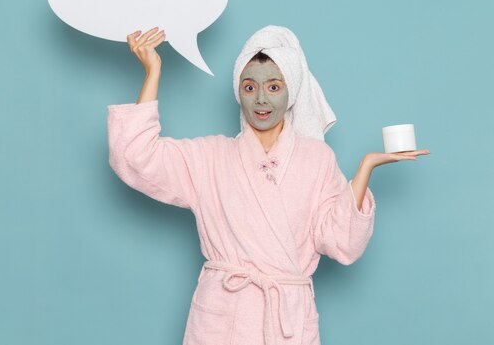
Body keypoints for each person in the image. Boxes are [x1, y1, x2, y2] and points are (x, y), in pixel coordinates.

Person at [107, 25, 430, 345]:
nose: (261, 99)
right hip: (223, 316)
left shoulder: (316, 159)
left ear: (291, 93)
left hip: (286, 317)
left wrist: (364, 170)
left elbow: (341, 243)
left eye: (274, 87)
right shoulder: (210, 156)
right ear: (238, 92)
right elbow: (136, 156)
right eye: (249, 87)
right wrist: (153, 71)